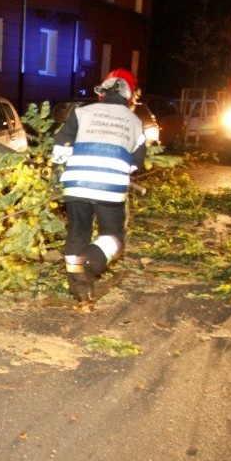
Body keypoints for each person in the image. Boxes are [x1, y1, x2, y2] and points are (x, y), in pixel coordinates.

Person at [52, 68, 147, 303]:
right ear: (129, 95)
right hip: (110, 186)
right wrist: (124, 171)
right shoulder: (135, 122)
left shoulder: (82, 113)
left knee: (77, 233)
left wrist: (58, 176)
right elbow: (136, 162)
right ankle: (90, 262)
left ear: (102, 91)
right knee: (114, 236)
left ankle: (79, 287)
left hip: (75, 184)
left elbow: (62, 145)